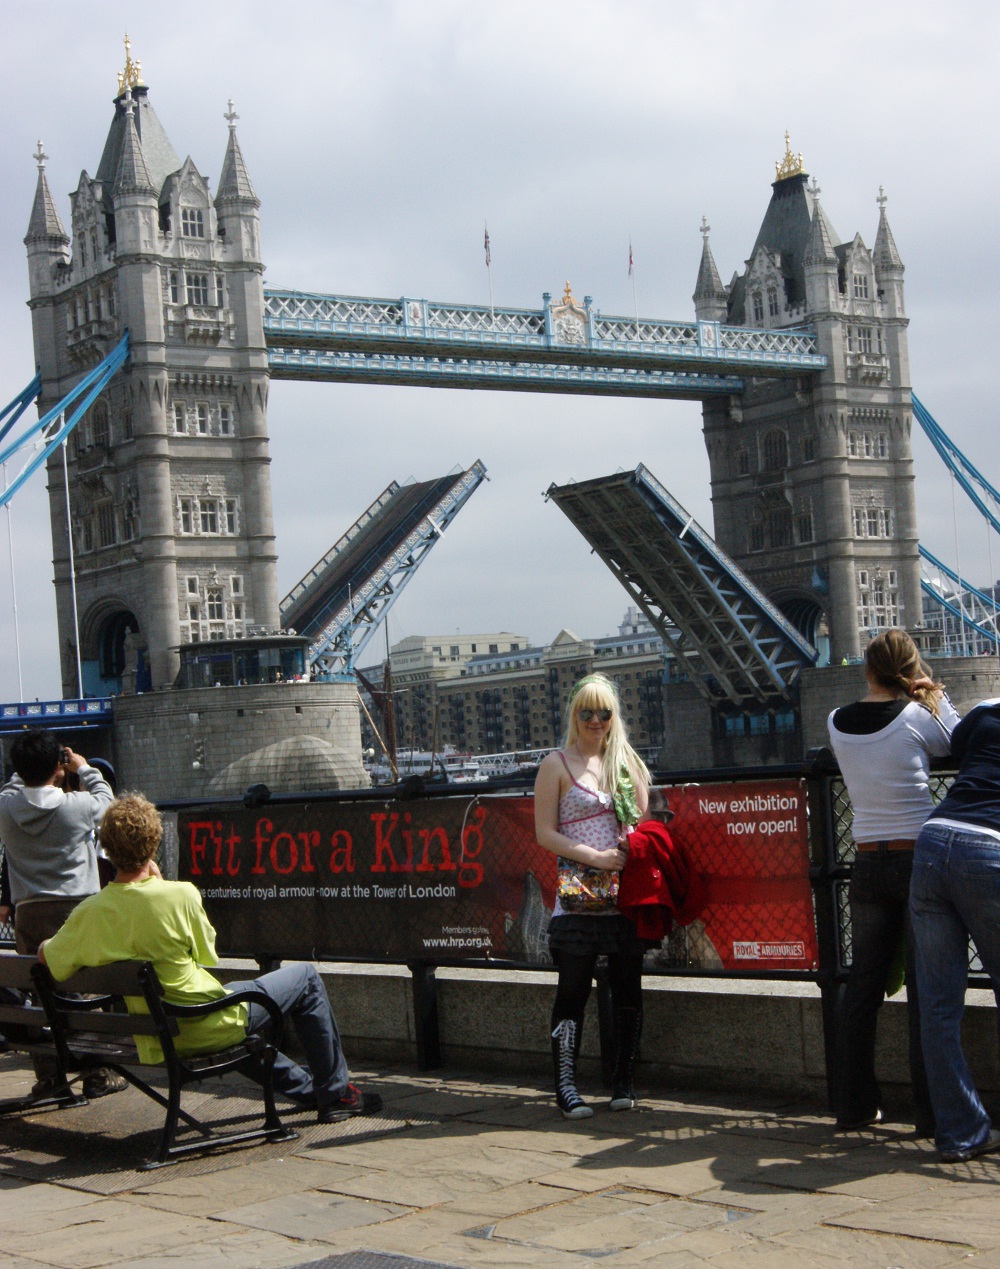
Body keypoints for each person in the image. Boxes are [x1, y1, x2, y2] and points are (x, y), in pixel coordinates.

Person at [38, 794, 382, 1125]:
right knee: (305, 978)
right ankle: (336, 1095)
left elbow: (48, 957)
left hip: (157, 1038)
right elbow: (206, 954)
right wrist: (162, 885)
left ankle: (312, 1091)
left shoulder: (91, 912)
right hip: (204, 1023)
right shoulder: (179, 894)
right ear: (153, 844)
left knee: (232, 1009)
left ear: (108, 851)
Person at [827, 628, 958, 1134]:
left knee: (863, 985)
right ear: (910, 669)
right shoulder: (914, 717)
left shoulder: (836, 722)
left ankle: (854, 1105)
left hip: (866, 862)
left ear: (866, 669)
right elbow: (954, 738)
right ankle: (931, 1113)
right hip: (917, 861)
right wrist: (934, 694)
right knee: (925, 988)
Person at [534, 673, 651, 1118]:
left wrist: (625, 845)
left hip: (624, 897)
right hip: (578, 897)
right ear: (574, 715)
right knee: (572, 989)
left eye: (605, 713)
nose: (596, 721)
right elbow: (545, 833)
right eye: (588, 712)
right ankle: (566, 1086)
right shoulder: (556, 765)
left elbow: (644, 823)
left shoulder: (627, 764)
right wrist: (595, 857)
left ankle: (624, 1082)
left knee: (627, 989)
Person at [0, 729, 124, 1099]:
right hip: (78, 907)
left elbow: (12, 787)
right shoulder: (78, 806)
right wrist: (84, 767)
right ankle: (97, 1073)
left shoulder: (6, 807)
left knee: (40, 992)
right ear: (58, 767)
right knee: (87, 990)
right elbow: (107, 800)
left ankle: (50, 1078)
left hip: (29, 911)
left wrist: (27, 769)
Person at [909, 698, 1000, 1161]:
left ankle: (961, 1132)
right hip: (989, 848)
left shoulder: (985, 712)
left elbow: (955, 743)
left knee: (938, 1005)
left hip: (933, 838)